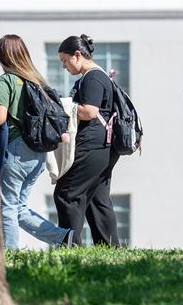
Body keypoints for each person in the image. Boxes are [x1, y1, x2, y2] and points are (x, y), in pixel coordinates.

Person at [0, 34, 74, 249]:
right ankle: (64, 237)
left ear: (1, 57)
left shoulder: (6, 81)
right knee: (19, 208)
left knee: (7, 207)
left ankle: (10, 254)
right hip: (38, 153)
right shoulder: (36, 80)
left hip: (16, 150)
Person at [55, 34, 120, 246]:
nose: (64, 67)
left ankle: (70, 246)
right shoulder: (99, 76)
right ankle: (110, 248)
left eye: (65, 60)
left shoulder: (92, 77)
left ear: (77, 55)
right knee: (97, 200)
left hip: (92, 145)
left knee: (67, 193)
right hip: (104, 147)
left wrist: (62, 105)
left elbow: (90, 112)